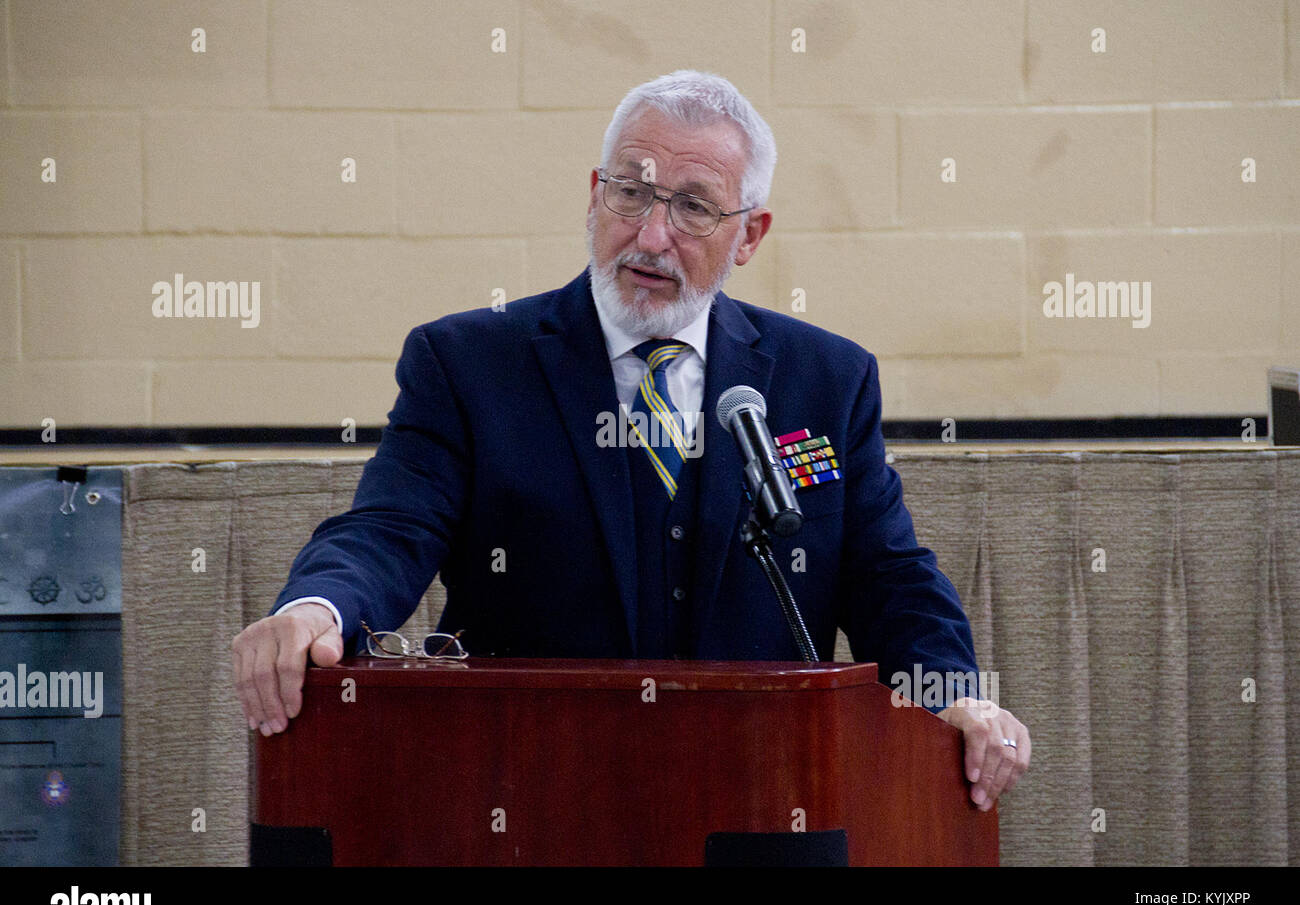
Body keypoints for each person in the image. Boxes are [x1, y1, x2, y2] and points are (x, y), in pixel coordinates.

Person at [232, 70, 1030, 812]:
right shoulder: (471, 364)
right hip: (530, 791)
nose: (650, 236)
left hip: (761, 793)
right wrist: (317, 608)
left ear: (749, 234)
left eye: (692, 207)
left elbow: (888, 576)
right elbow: (389, 527)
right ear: (594, 194)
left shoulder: (826, 379)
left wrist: (949, 693)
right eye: (631, 192)